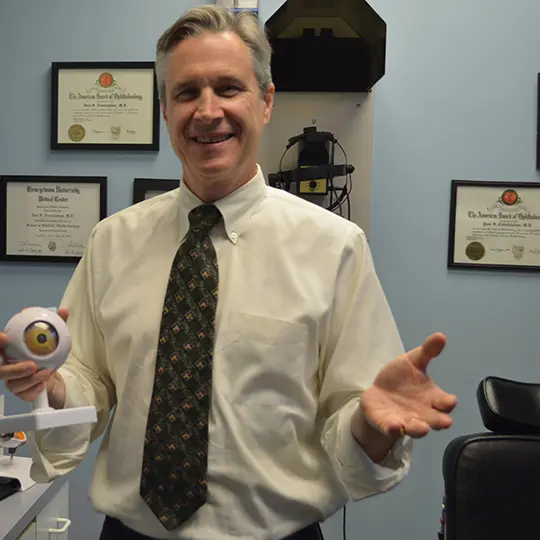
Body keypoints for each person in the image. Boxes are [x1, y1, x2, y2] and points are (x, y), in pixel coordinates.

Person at [0, 5, 457, 540]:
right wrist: (53, 388)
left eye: (228, 87)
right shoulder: (112, 242)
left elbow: (352, 419)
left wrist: (371, 426)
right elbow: (90, 383)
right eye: (187, 92)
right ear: (165, 110)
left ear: (265, 101)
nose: (207, 111)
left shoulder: (334, 248)